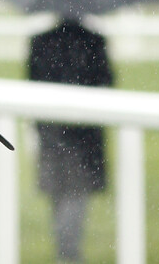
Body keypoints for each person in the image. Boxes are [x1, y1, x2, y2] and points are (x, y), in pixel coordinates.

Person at [27, 17, 113, 263]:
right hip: (84, 137)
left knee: (60, 194)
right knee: (76, 194)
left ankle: (65, 252)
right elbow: (107, 80)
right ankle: (69, 253)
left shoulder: (40, 42)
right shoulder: (95, 42)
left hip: (52, 134)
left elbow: (32, 84)